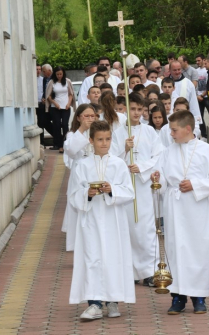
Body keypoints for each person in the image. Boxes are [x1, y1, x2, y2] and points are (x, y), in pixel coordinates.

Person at [151, 110, 209, 315]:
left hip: (197, 208)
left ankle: (199, 297)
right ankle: (178, 298)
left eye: (174, 130)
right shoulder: (167, 152)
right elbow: (162, 179)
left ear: (188, 129)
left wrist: (196, 184)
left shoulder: (207, 151)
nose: (171, 134)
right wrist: (157, 179)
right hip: (174, 208)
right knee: (175, 251)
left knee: (198, 250)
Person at [69, 120, 136, 321]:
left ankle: (113, 301)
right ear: (91, 141)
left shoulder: (118, 164)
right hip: (90, 219)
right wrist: (87, 193)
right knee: (92, 258)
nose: (104, 143)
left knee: (113, 258)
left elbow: (129, 193)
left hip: (113, 220)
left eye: (107, 139)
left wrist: (112, 190)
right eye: (100, 140)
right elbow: (73, 195)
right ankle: (95, 303)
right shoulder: (82, 165)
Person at [110, 92, 163, 287]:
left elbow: (159, 156)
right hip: (125, 186)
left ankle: (150, 271)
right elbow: (110, 159)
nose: (136, 113)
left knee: (146, 229)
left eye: (140, 110)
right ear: (125, 109)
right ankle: (129, 271)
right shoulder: (117, 134)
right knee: (127, 229)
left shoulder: (150, 132)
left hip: (142, 186)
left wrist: (140, 167)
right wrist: (124, 149)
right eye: (132, 109)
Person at [62, 104, 97, 251]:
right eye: (86, 116)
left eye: (92, 116)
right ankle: (76, 243)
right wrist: (82, 129)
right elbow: (70, 150)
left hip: (95, 172)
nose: (89, 119)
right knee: (77, 204)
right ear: (78, 117)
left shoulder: (98, 132)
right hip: (79, 175)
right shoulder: (72, 135)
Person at [45, 66, 76, 153]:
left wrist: (69, 103)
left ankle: (66, 143)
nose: (59, 76)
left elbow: (71, 94)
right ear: (55, 74)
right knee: (57, 126)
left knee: (65, 125)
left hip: (66, 107)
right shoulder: (52, 82)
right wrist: (55, 103)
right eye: (57, 74)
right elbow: (49, 95)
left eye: (61, 74)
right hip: (55, 107)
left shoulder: (67, 81)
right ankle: (60, 145)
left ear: (63, 74)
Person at [195, 54, 209, 140]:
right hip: (198, 97)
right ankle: (204, 135)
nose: (197, 62)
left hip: (206, 96)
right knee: (200, 117)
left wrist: (203, 94)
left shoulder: (207, 71)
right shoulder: (195, 71)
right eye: (196, 61)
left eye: (199, 60)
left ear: (204, 60)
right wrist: (197, 95)